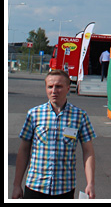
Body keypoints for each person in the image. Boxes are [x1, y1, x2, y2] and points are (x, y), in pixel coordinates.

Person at [12, 69, 96, 199]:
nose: (54, 91)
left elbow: (88, 151)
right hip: (35, 186)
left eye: (59, 86)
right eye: (50, 87)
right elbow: (23, 150)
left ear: (68, 88)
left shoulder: (79, 116)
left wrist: (90, 183)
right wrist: (17, 185)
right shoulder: (34, 114)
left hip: (64, 188)